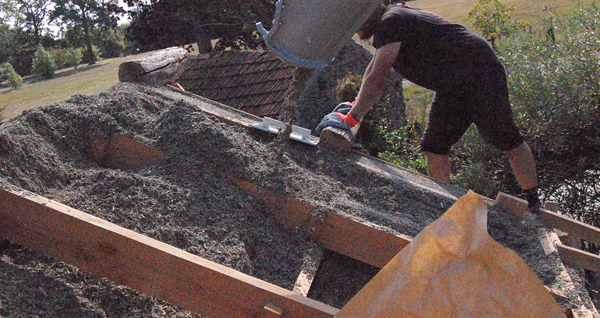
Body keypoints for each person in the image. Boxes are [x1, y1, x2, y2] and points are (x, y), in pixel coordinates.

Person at [316, 3, 542, 213]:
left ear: (367, 13)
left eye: (356, 23)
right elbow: (372, 69)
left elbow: (378, 76)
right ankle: (447, 206)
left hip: (479, 73)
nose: (355, 30)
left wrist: (352, 118)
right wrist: (354, 105)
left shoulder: (391, 21)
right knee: (434, 146)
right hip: (453, 85)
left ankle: (534, 206)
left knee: (506, 138)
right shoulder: (389, 24)